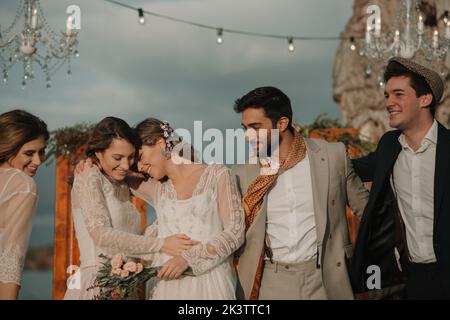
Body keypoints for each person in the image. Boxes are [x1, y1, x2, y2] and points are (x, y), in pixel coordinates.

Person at [231, 86, 369, 299]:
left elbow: (367, 211)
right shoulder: (243, 173)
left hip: (326, 279)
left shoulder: (332, 157)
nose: (248, 136)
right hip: (270, 282)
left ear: (282, 123)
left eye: (256, 127)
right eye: (245, 128)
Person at [64, 117, 197, 299]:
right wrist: (161, 244)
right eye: (117, 158)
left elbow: (172, 197)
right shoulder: (89, 175)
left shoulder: (123, 182)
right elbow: (100, 234)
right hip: (97, 285)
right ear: (98, 152)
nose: (126, 166)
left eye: (131, 157)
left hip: (125, 287)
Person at [351, 57, 450, 300]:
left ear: (425, 99)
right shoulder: (389, 146)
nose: (389, 103)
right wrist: (308, 150)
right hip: (411, 277)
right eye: (387, 96)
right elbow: (352, 168)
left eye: (398, 94)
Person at [125, 118, 245, 299]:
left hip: (209, 286)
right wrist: (90, 162)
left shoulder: (217, 175)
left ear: (160, 143)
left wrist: (187, 259)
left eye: (140, 157)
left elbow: (235, 232)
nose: (140, 167)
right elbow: (112, 172)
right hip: (165, 287)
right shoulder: (158, 188)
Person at [0, 110, 49, 300]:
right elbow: (11, 258)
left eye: (42, 152)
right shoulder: (23, 185)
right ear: (8, 147)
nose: (38, 161)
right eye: (29, 153)